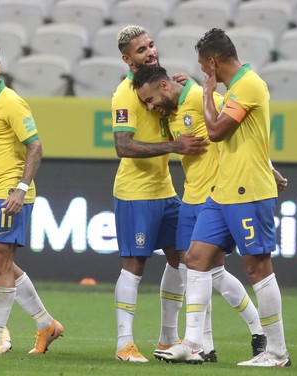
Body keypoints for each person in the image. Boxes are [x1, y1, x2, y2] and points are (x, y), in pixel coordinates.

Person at [132, 65, 291, 362]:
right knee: (196, 268)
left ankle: (252, 333)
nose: (150, 107)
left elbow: (242, 134)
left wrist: (271, 170)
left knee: (209, 269)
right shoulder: (168, 113)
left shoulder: (199, 98)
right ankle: (203, 346)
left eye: (151, 99)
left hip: (219, 194)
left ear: (165, 87)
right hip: (191, 197)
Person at [0, 43, 64, 355]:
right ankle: (47, 325)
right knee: (1, 262)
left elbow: (35, 146)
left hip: (9, 193)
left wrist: (20, 188)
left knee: (0, 262)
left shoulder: (12, 103)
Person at [111, 25, 208, 363]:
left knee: (182, 259)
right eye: (141, 50)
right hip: (136, 193)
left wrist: (189, 86)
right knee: (135, 264)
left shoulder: (160, 83)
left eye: (151, 45)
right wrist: (174, 145)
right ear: (127, 58)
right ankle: (125, 344)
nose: (150, 52)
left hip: (165, 190)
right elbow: (122, 146)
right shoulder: (126, 94)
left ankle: (168, 338)